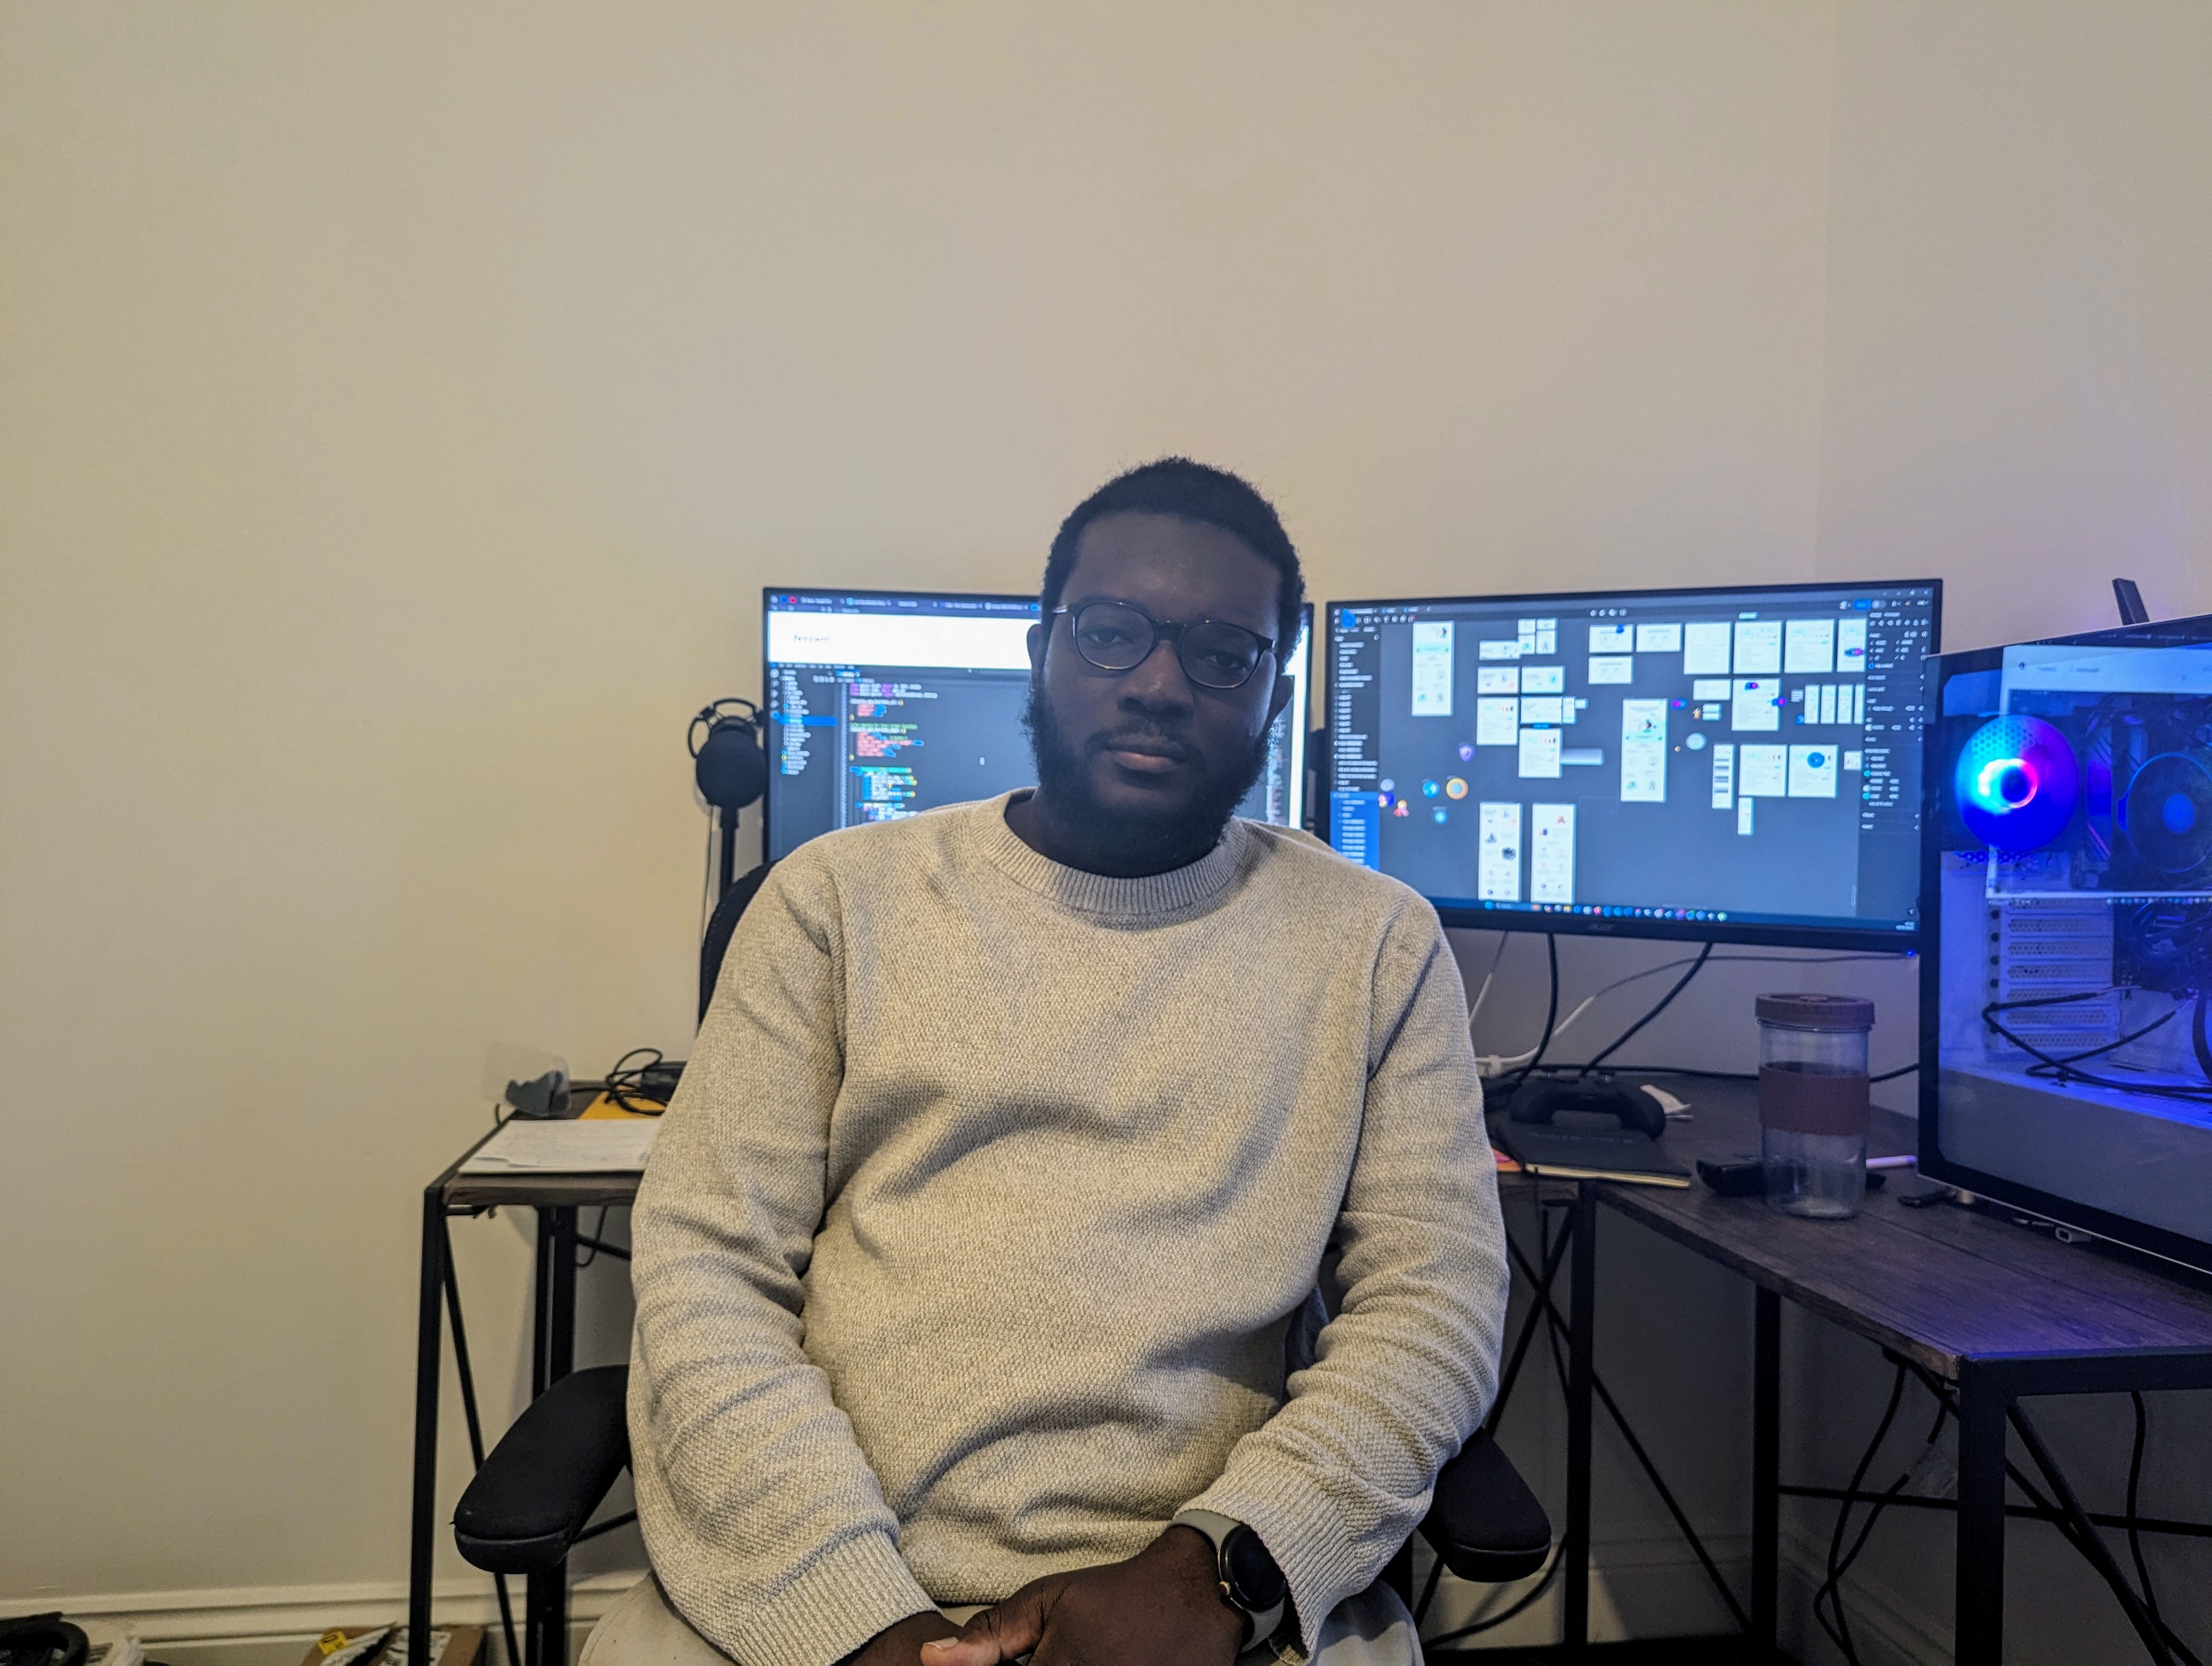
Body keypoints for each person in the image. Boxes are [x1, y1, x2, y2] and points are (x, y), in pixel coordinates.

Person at [606, 459, 1509, 1666]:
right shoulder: (831, 903)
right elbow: (705, 1279)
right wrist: (858, 1620)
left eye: (1221, 655)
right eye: (1111, 633)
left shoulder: (1378, 944)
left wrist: (1224, 1570)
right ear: (1042, 651)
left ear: (1276, 693)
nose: (1157, 685)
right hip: (822, 1586)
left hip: (1202, 1604)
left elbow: (1432, 1310)